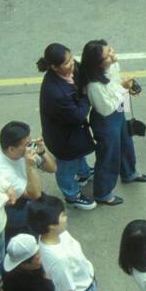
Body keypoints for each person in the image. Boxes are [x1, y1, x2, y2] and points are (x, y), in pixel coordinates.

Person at [76, 40, 145, 205]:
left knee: (126, 141)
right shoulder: (94, 86)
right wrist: (123, 89)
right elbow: (105, 108)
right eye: (108, 55)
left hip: (118, 110)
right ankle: (103, 192)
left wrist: (127, 93)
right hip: (106, 120)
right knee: (109, 155)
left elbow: (117, 82)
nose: (113, 55)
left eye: (111, 50)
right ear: (98, 64)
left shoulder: (112, 66)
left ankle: (129, 172)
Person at [36, 44, 96, 209]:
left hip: (72, 134)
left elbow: (81, 72)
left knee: (78, 155)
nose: (73, 64)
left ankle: (84, 173)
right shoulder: (55, 92)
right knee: (66, 166)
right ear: (54, 67)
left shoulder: (70, 69)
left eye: (71, 59)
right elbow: (78, 115)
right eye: (67, 63)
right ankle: (71, 195)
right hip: (62, 139)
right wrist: (85, 95)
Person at [0, 121, 55, 235]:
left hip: (24, 193)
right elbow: (35, 194)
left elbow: (52, 169)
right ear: (11, 149)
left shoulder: (21, 152)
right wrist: (30, 166)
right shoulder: (0, 170)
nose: (30, 147)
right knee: (42, 220)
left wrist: (42, 152)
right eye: (27, 144)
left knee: (53, 207)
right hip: (8, 207)